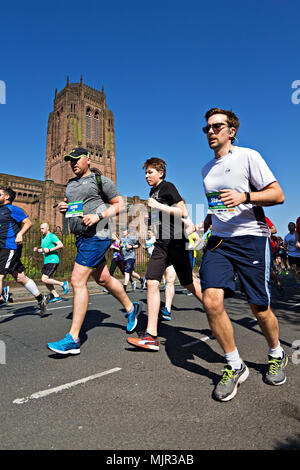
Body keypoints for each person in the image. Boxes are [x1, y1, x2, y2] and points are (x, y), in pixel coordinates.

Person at [199, 107, 287, 402]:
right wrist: (208, 222)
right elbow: (218, 204)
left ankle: (276, 352)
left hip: (251, 239)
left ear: (231, 130)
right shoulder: (206, 170)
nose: (210, 132)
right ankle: (235, 364)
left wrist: (245, 197)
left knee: (258, 308)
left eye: (216, 126)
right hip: (220, 241)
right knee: (211, 299)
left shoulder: (249, 156)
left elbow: (278, 195)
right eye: (207, 128)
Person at [47, 147, 141, 355]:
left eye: (76, 159)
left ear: (88, 160)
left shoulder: (100, 181)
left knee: (77, 281)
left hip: (98, 234)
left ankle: (73, 338)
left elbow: (120, 204)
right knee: (103, 279)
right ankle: (131, 308)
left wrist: (99, 216)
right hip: (81, 238)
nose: (73, 163)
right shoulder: (70, 185)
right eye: (70, 160)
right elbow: (75, 206)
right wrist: (66, 207)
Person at [127, 157, 203, 351]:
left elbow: (182, 211)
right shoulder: (153, 192)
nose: (146, 176)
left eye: (150, 172)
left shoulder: (168, 187)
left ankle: (216, 312)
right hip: (161, 243)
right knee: (152, 281)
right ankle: (151, 335)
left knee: (189, 283)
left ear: (160, 173)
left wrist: (158, 206)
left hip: (176, 242)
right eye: (145, 173)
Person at [0, 187, 50, 314]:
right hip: (2, 247)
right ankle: (41, 298)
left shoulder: (13, 209)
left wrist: (20, 234)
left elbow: (28, 222)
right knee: (20, 277)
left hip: (9, 246)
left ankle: (1, 298)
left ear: (6, 197)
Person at [33, 223, 69, 303]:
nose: (41, 230)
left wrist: (49, 250)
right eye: (40, 228)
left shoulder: (52, 236)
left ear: (47, 228)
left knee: (44, 279)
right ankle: (56, 296)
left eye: (42, 228)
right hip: (47, 261)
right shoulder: (43, 238)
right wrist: (37, 250)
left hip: (53, 260)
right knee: (46, 280)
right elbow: (43, 250)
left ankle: (63, 283)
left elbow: (61, 245)